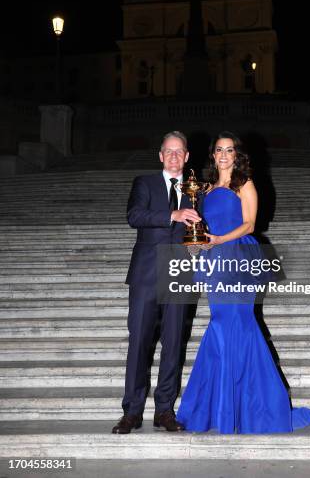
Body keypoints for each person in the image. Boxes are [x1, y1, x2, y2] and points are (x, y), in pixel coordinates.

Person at [176, 131, 310, 433]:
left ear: (237, 155)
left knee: (238, 323)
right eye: (219, 150)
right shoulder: (206, 189)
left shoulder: (245, 184)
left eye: (230, 150)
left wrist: (219, 239)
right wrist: (200, 244)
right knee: (220, 322)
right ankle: (227, 407)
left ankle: (254, 407)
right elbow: (202, 227)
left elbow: (250, 224)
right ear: (213, 155)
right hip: (215, 259)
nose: (224, 155)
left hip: (239, 257)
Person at [112, 131, 201, 433]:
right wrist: (173, 215)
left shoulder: (196, 189)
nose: (175, 156)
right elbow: (134, 215)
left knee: (174, 341)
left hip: (179, 268)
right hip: (147, 271)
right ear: (160, 155)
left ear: (187, 156)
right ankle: (132, 411)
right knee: (139, 341)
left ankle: (164, 410)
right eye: (169, 151)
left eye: (180, 152)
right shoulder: (145, 183)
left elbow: (203, 229)